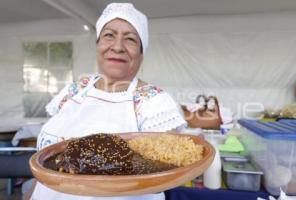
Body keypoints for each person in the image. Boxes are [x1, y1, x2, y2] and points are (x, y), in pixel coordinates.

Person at [28, 3, 186, 200]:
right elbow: (46, 160)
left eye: (130, 39)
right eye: (109, 35)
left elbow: (163, 177)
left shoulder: (154, 101)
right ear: (98, 44)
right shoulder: (75, 89)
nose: (117, 47)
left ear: (141, 53)